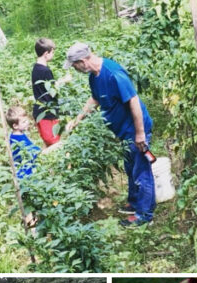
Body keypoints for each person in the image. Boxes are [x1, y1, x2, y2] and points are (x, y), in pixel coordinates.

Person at [65, 42, 155, 227]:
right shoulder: (94, 76)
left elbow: (134, 102)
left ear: (82, 61)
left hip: (135, 130)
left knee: (141, 171)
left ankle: (144, 214)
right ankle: (134, 203)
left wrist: (140, 134)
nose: (75, 69)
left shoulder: (114, 74)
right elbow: (95, 98)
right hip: (124, 132)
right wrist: (77, 119)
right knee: (130, 167)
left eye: (74, 66)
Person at [31, 38, 69, 146]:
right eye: (52, 52)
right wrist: (64, 81)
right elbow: (52, 91)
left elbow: (46, 87)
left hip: (41, 111)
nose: (53, 54)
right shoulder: (45, 71)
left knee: (52, 143)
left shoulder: (36, 68)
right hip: (47, 113)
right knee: (54, 144)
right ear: (46, 53)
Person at [6, 106, 40, 180]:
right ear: (15, 126)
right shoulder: (18, 139)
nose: (27, 122)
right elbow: (34, 152)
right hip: (25, 173)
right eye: (24, 122)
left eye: (27, 120)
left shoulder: (19, 134)